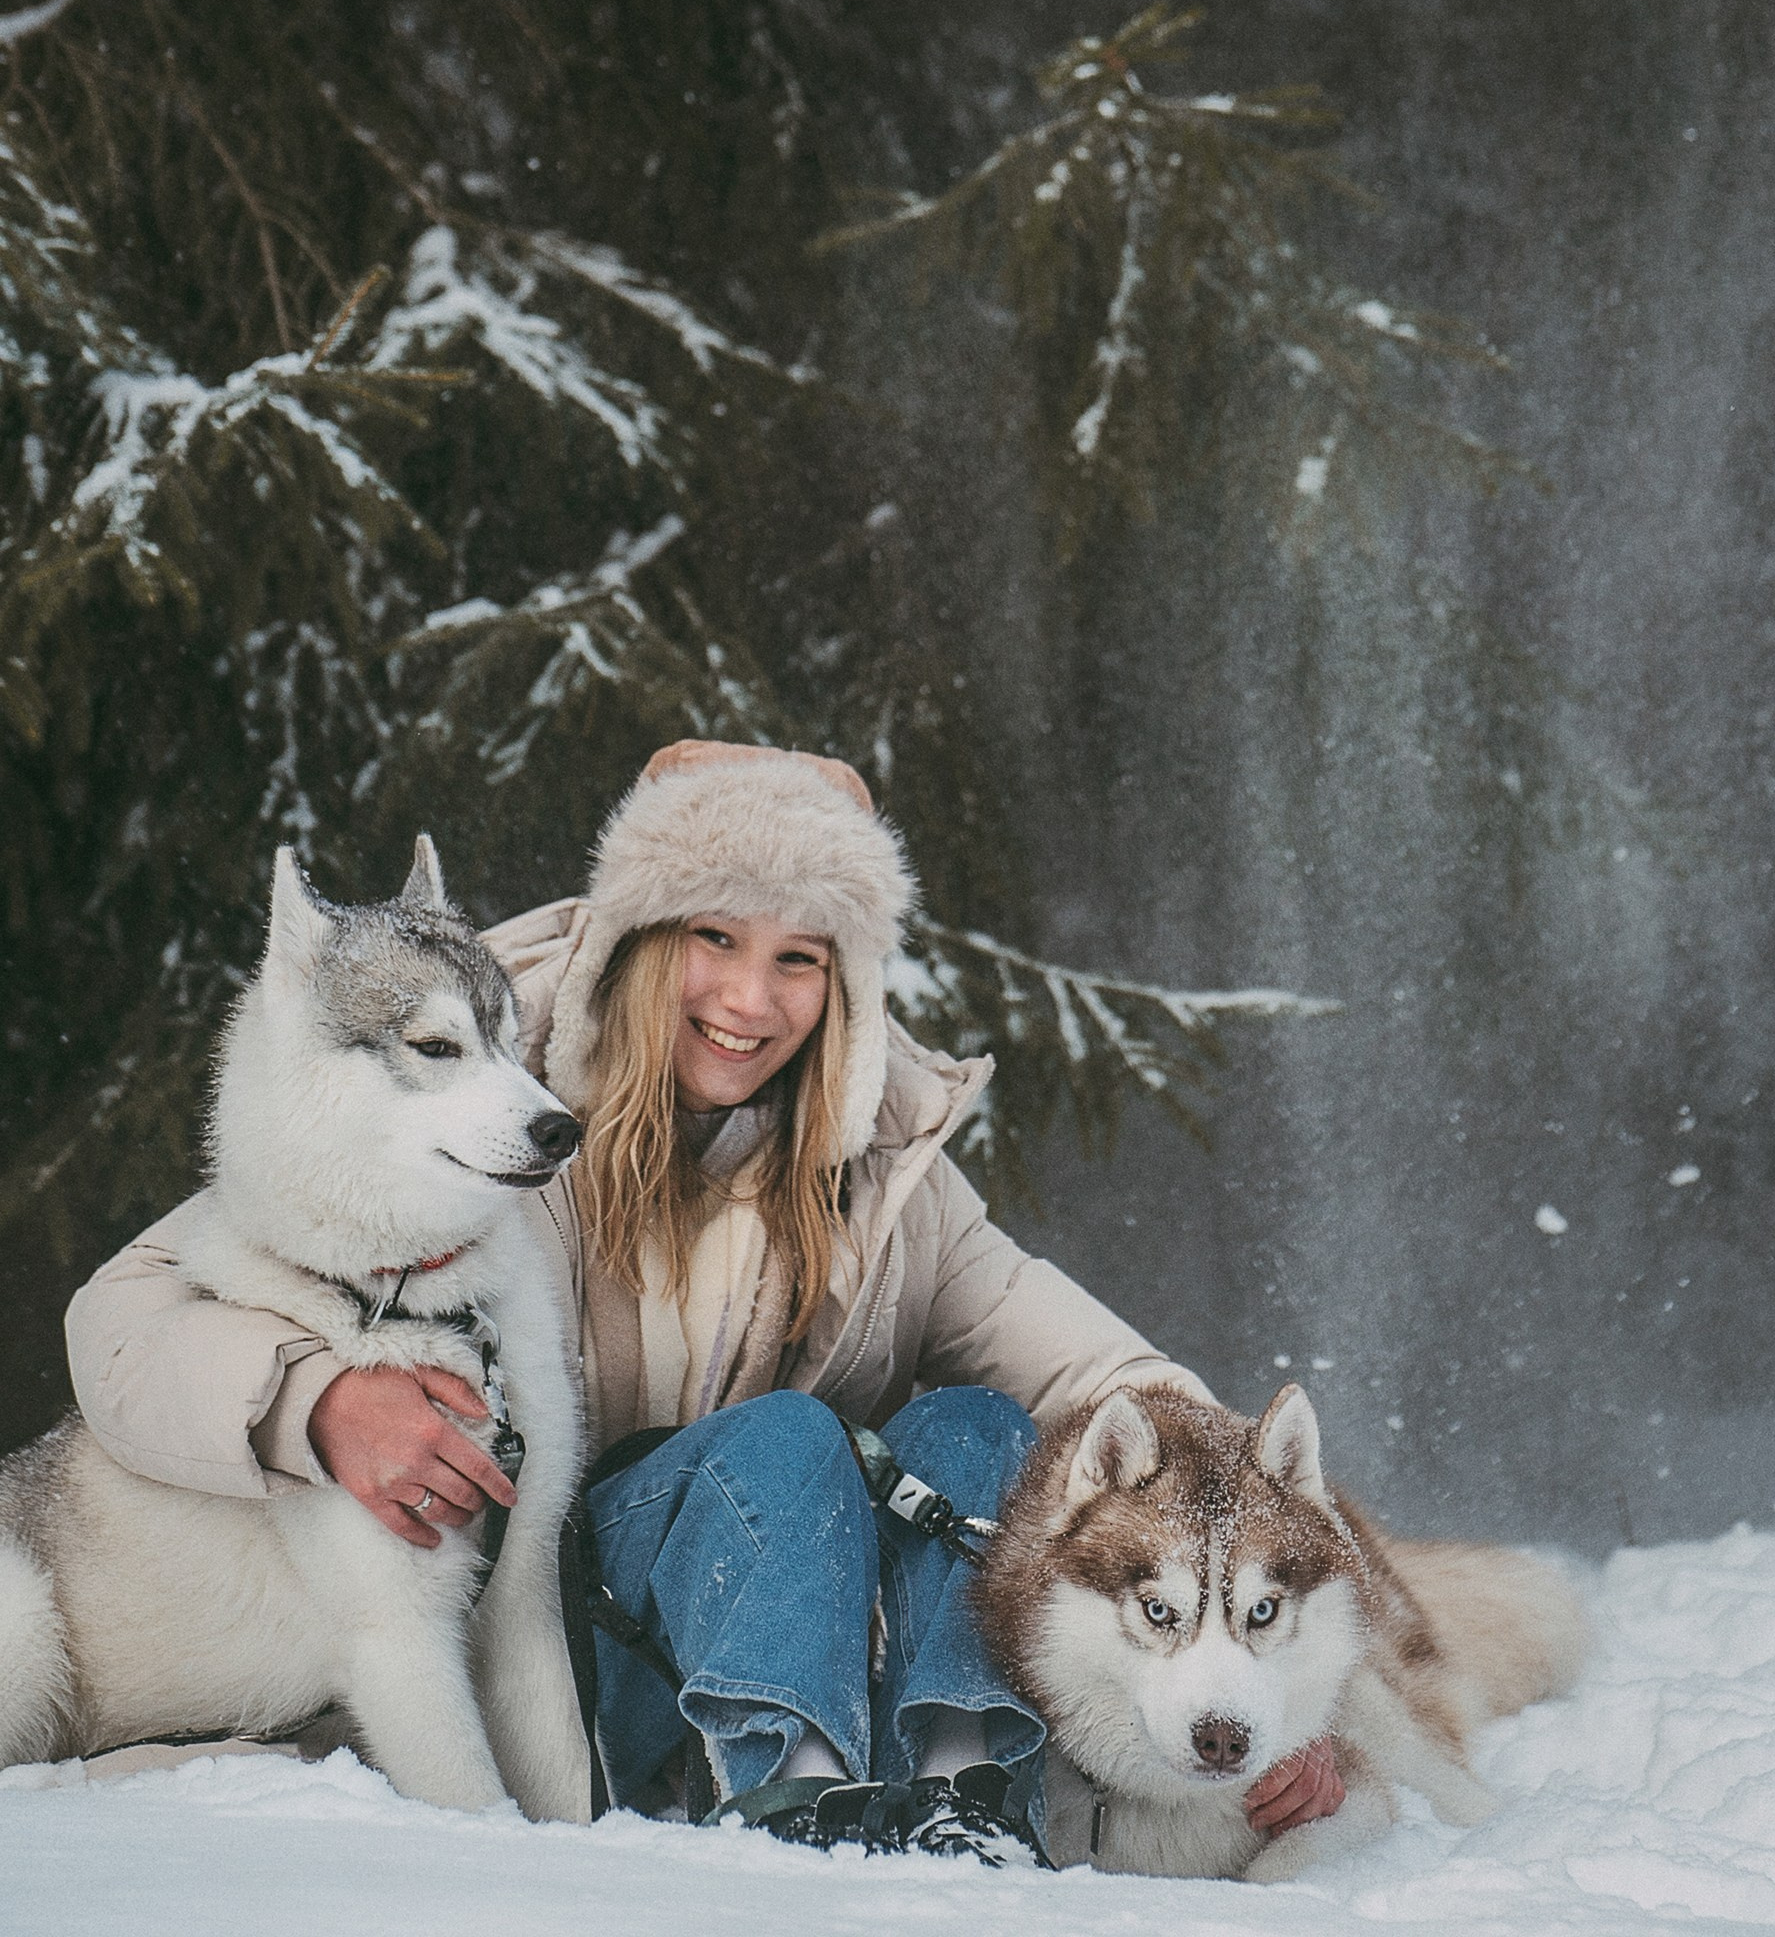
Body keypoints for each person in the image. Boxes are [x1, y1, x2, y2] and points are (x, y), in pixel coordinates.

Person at [66, 740, 1341, 1859]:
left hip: (797, 1611)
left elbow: (1124, 1388)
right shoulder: (484, 1125)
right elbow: (117, 1315)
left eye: (798, 958)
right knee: (787, 1438)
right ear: (636, 941)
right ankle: (793, 1815)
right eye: (712, 939)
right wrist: (314, 1402)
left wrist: (1301, 1680)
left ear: (840, 987)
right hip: (565, 1646)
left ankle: (964, 1811)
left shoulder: (884, 1177)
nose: (748, 999)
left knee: (982, 1436)